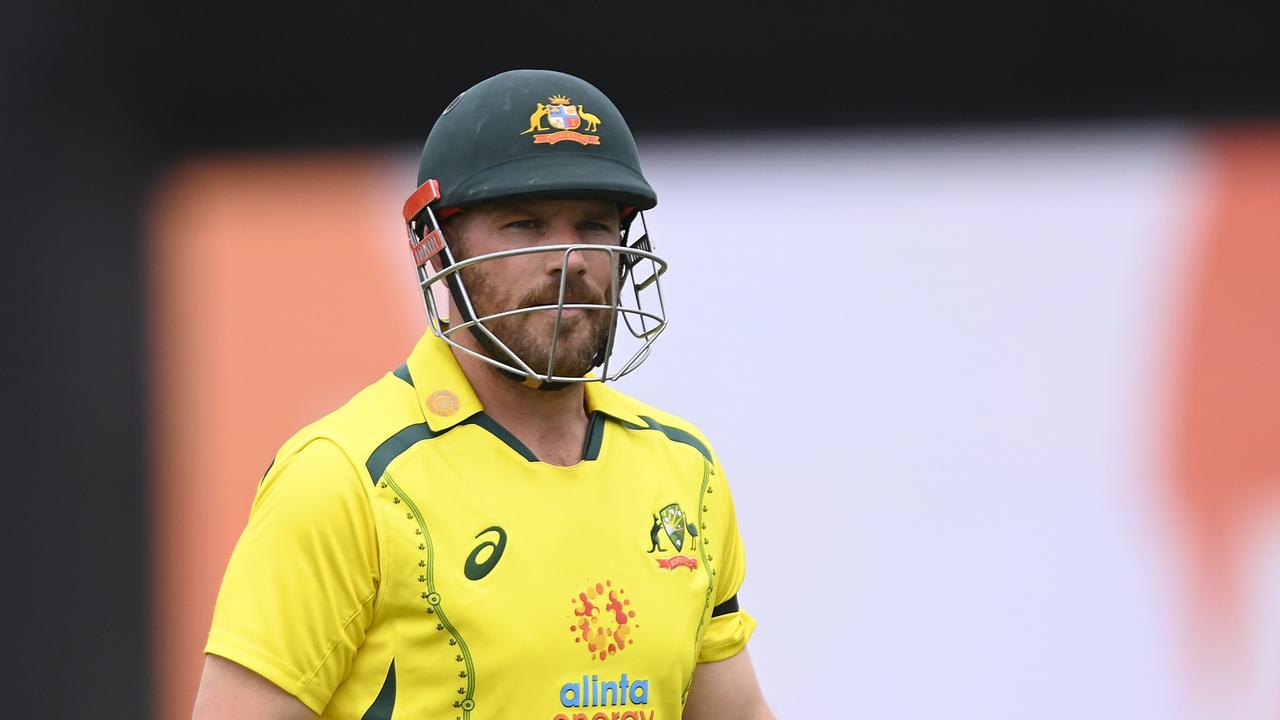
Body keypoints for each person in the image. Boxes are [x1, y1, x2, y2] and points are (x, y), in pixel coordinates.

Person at [192, 68, 773, 720]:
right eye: (525, 224)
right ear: (437, 248)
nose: (569, 259)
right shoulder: (346, 478)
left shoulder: (684, 470)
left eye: (592, 224)